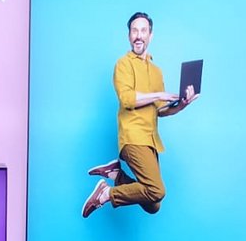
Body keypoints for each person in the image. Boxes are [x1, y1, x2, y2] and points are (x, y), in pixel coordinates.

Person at [82, 12, 198, 218]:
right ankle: (105, 193)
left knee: (153, 205)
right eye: (134, 30)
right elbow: (127, 99)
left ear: (150, 36)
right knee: (157, 189)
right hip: (132, 136)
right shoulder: (123, 64)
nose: (138, 35)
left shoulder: (157, 71)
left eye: (143, 31)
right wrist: (159, 94)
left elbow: (160, 110)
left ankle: (117, 175)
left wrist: (182, 105)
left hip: (151, 140)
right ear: (129, 36)